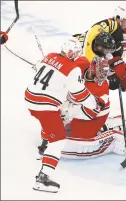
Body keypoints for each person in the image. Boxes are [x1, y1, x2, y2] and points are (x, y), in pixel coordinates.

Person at [25, 37, 99, 193]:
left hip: (30, 98)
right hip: (43, 105)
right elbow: (79, 94)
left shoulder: (49, 56)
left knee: (58, 114)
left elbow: (36, 68)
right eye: (77, 53)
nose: (78, 55)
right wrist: (94, 103)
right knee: (58, 138)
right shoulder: (73, 68)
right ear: (71, 52)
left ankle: (44, 147)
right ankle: (43, 178)